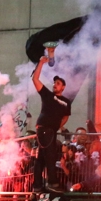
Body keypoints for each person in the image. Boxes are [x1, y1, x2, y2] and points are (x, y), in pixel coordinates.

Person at [31, 42, 71, 192]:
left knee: (41, 157)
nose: (55, 84)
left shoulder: (66, 102)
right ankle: (52, 182)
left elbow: (66, 116)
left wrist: (58, 126)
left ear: (63, 87)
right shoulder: (47, 95)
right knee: (50, 154)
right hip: (45, 129)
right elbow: (35, 80)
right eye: (54, 82)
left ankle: (37, 185)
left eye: (58, 83)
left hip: (51, 130)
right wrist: (41, 64)